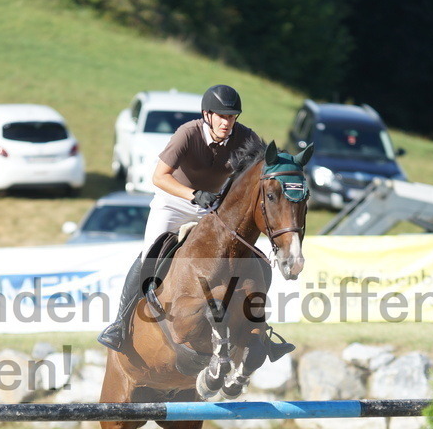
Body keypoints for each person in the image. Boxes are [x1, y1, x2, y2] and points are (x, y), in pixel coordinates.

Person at [97, 84, 293, 360]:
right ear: (207, 115)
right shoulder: (187, 134)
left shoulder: (244, 137)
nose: (227, 123)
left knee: (251, 261)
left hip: (211, 207)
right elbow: (159, 177)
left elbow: (266, 165)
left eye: (232, 117)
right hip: (173, 202)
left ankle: (260, 330)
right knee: (149, 256)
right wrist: (192, 194)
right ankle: (120, 323)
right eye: (222, 117)